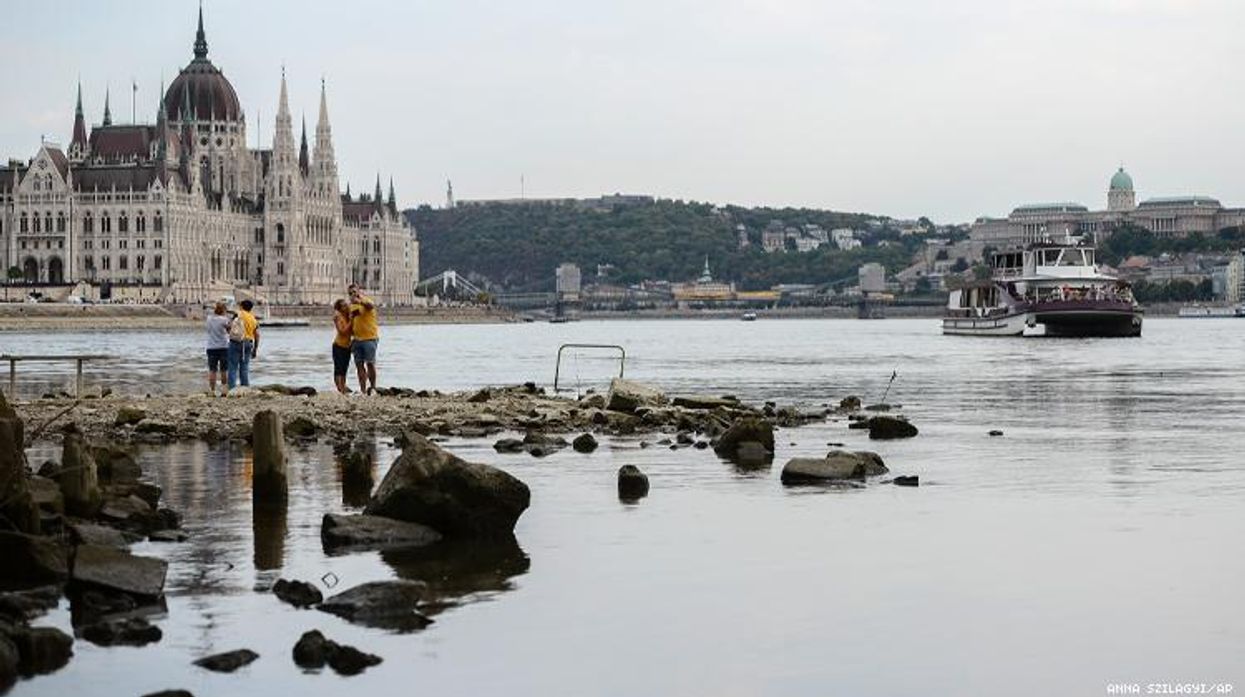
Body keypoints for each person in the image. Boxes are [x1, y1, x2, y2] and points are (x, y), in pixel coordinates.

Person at [347, 284, 379, 395]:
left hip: (370, 338)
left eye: (354, 292)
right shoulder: (351, 307)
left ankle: (373, 388)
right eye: (350, 293)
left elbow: (371, 306)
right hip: (357, 340)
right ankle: (363, 390)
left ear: (359, 292)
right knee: (359, 365)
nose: (352, 295)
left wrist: (359, 301)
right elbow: (351, 323)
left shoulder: (366, 301)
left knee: (370, 363)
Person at [228, 299, 260, 390]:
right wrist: (255, 349)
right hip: (248, 343)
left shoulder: (238, 314)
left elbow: (229, 326)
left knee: (233, 367)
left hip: (236, 342)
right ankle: (245, 388)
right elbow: (257, 335)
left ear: (241, 306)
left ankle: (232, 389)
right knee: (244, 367)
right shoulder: (253, 319)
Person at [205, 301, 231, 396]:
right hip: (223, 346)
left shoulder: (209, 319)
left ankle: (212, 390)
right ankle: (224, 390)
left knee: (212, 370)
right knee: (224, 370)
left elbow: (208, 330)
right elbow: (230, 331)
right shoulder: (224, 320)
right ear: (223, 310)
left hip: (211, 347)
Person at [332, 298, 353, 394]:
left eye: (346, 305)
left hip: (347, 346)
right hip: (338, 345)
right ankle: (340, 388)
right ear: (339, 308)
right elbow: (342, 331)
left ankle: (343, 386)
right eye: (343, 306)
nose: (346, 307)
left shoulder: (348, 315)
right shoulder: (338, 317)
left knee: (345, 368)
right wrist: (351, 322)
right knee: (339, 368)